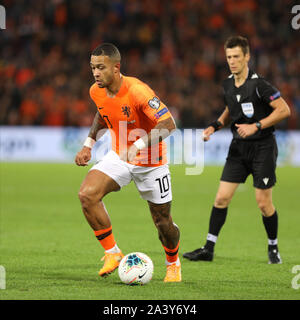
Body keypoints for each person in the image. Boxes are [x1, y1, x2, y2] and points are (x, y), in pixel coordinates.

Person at [75, 43, 181, 282]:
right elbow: (103, 113)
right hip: (120, 156)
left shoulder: (138, 91)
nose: (95, 73)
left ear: (116, 68)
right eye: (93, 67)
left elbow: (168, 124)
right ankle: (112, 253)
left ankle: (173, 263)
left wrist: (138, 146)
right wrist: (89, 143)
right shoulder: (96, 90)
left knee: (163, 223)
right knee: (87, 194)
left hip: (152, 162)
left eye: (101, 68)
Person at [183, 36, 290, 264]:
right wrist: (215, 125)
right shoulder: (228, 84)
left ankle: (273, 247)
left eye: (236, 57)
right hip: (238, 149)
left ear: (247, 57)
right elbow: (230, 109)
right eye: (229, 57)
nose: (232, 61)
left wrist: (256, 126)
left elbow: (284, 110)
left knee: (264, 204)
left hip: (263, 147)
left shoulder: (260, 85)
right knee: (221, 198)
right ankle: (208, 249)